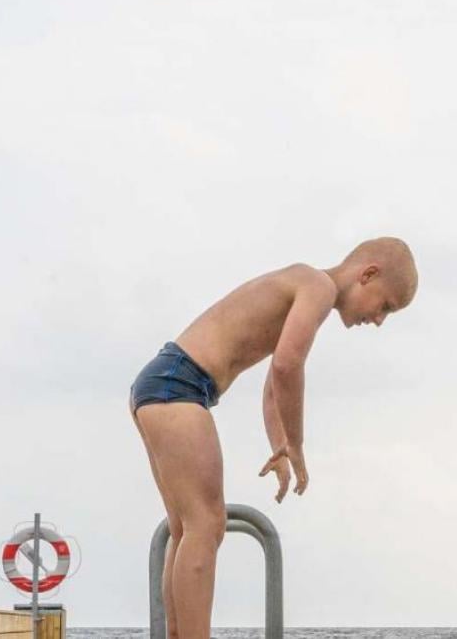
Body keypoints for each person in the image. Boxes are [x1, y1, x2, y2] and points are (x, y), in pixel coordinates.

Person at [129, 237, 417, 639]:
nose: (380, 319)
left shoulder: (306, 289)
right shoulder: (317, 286)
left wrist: (278, 446)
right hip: (180, 384)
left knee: (185, 530)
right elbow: (287, 366)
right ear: (368, 274)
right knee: (206, 524)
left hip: (165, 382)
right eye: (385, 306)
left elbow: (271, 387)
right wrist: (297, 445)